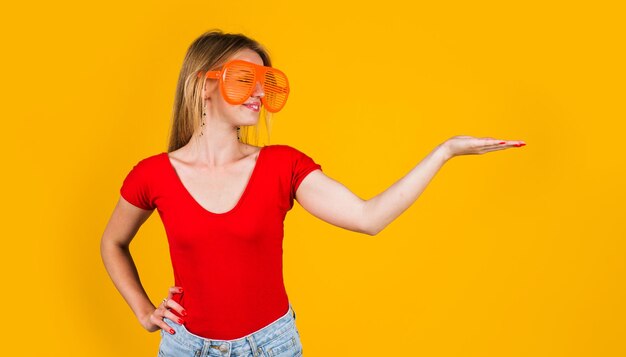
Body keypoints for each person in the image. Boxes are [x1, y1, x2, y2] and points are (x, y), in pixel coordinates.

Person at [100, 29, 526, 357]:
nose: (261, 93)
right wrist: (143, 311)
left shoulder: (282, 166)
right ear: (204, 84)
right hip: (186, 348)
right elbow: (113, 243)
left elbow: (368, 218)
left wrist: (445, 151)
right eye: (247, 79)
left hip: (270, 346)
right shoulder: (153, 174)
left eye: (267, 81)